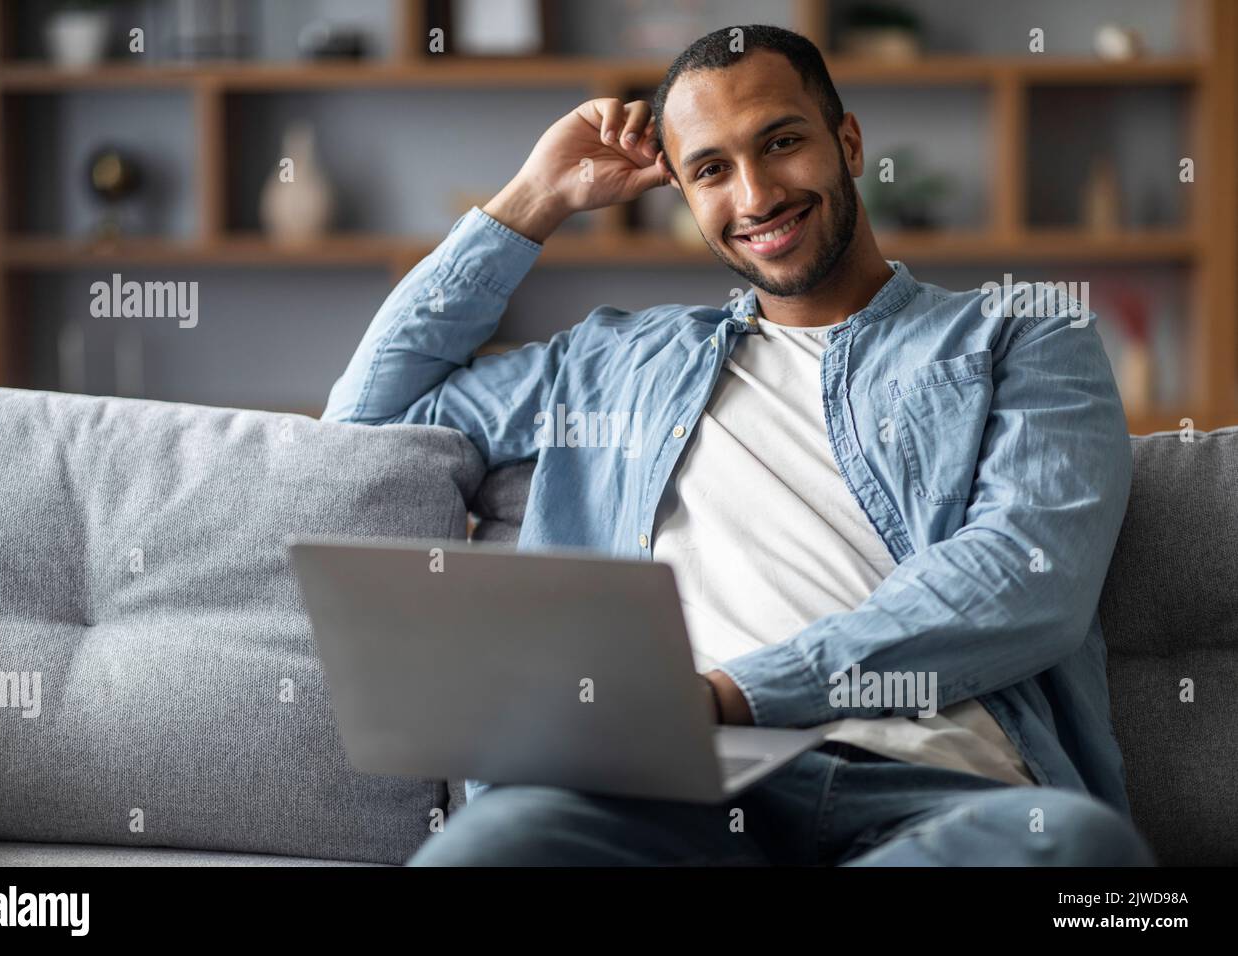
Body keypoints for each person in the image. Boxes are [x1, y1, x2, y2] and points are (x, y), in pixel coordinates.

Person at [323, 24, 1156, 866]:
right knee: (490, 850)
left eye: (782, 142)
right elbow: (364, 433)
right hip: (661, 795)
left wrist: (730, 697)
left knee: (1080, 851)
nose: (755, 195)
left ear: (850, 142)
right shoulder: (611, 362)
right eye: (711, 169)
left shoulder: (1022, 335)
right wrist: (534, 198)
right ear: (684, 194)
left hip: (939, 791)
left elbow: (1024, 577)